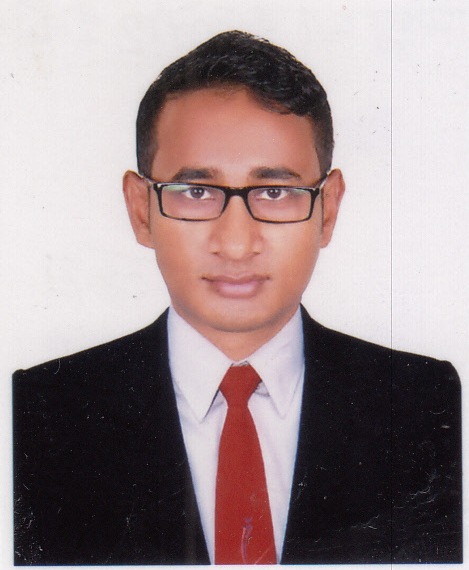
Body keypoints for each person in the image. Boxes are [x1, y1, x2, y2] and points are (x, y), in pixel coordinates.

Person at [13, 31, 462, 565]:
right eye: (196, 192)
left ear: (328, 209)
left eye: (275, 192)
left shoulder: (427, 407)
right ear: (140, 210)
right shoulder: (36, 416)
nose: (235, 243)